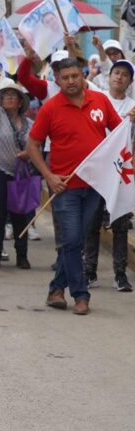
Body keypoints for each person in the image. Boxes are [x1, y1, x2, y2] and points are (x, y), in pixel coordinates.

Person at [26, 58, 122, 316]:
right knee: (70, 240)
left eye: (74, 76)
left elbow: (119, 132)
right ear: (57, 80)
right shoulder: (50, 108)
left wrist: (130, 121)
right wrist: (49, 176)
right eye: (65, 77)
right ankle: (81, 295)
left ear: (83, 76)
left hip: (95, 186)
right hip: (64, 188)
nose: (70, 81)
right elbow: (32, 145)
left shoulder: (101, 101)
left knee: (75, 242)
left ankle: (56, 289)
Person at [84, 59, 135, 292]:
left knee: (121, 224)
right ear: (109, 76)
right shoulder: (98, 99)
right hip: (98, 171)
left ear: (130, 81)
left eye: (125, 74)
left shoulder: (133, 106)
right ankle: (89, 271)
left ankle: (120, 274)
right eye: (116, 72)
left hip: (121, 173)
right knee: (92, 223)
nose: (119, 77)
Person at [0, 66, 34, 271]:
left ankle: (22, 255)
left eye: (14, 96)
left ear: (21, 102)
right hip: (0, 171)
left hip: (22, 174)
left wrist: (28, 153)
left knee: (22, 215)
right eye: (7, 95)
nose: (10, 98)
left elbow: (35, 144)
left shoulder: (29, 123)